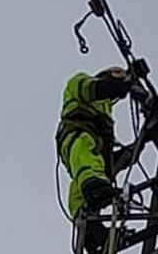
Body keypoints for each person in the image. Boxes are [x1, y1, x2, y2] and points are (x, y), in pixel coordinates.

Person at [56, 65, 135, 225]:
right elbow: (91, 89)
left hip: (95, 143)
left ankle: (88, 225)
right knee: (87, 163)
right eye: (117, 74)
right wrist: (121, 84)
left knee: (86, 176)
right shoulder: (80, 81)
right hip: (78, 132)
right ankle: (94, 190)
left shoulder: (106, 104)